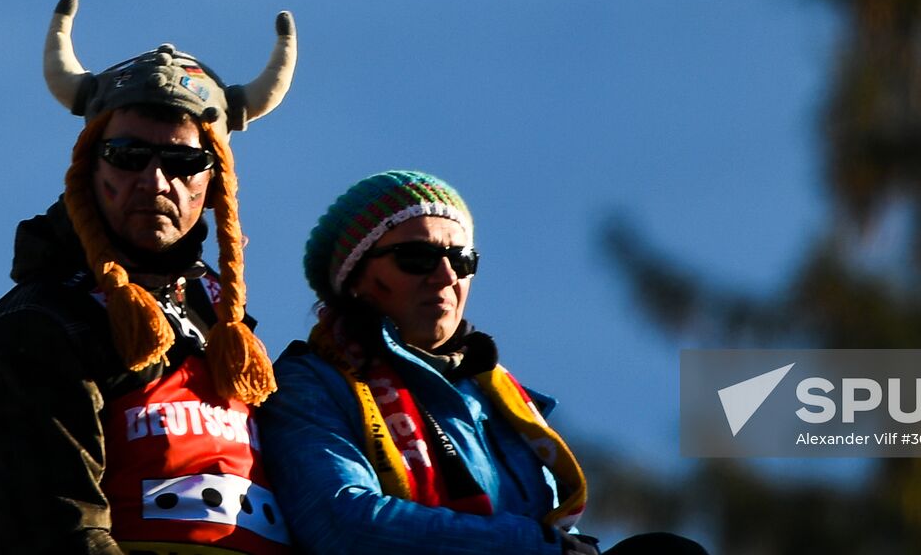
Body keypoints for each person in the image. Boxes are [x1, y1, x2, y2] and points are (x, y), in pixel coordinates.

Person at [0, 0, 298, 555]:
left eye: (185, 162)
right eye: (129, 156)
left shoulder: (228, 326)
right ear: (89, 167)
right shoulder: (39, 324)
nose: (156, 182)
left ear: (216, 184)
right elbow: (57, 533)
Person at [259, 170, 708, 555]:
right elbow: (343, 524)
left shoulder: (504, 403)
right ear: (352, 279)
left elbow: (539, 533)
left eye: (462, 259)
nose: (447, 275)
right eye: (417, 257)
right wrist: (540, 549)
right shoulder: (311, 382)